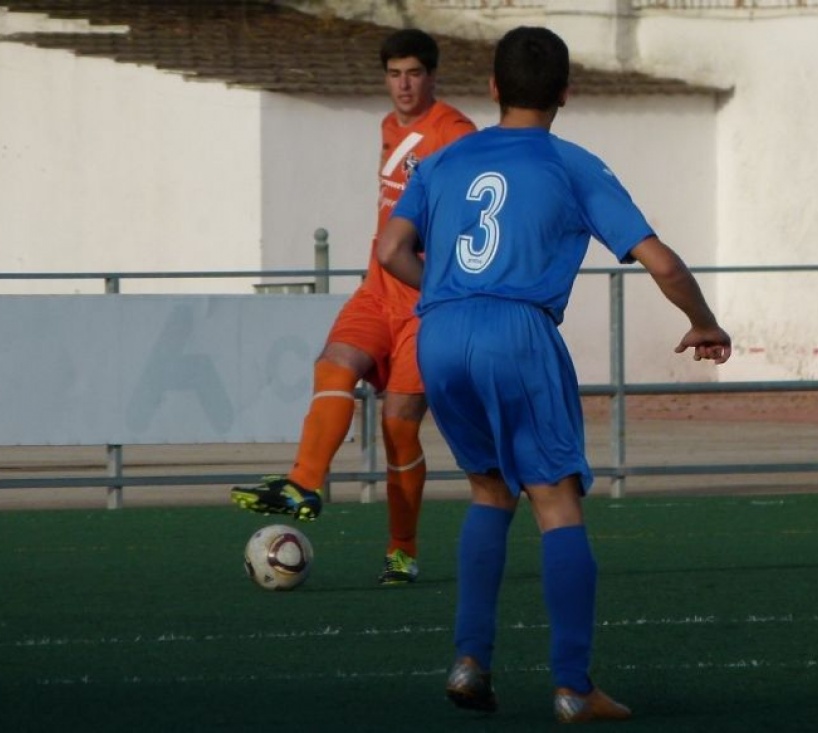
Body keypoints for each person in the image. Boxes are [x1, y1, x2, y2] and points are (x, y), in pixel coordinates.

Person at [376, 26, 732, 723]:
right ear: (567, 92)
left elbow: (391, 248)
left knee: (486, 491)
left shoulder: (444, 159)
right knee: (557, 500)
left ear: (492, 89)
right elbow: (659, 260)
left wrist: (444, 293)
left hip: (440, 331)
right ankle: (573, 685)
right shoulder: (572, 165)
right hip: (517, 330)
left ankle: (469, 658)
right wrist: (704, 320)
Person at [230, 29, 477, 586]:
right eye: (394, 74)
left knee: (398, 429)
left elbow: (473, 201)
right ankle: (306, 483)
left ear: (432, 76)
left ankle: (401, 551)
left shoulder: (454, 131)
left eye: (414, 73)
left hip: (425, 303)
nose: (404, 85)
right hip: (376, 289)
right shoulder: (389, 128)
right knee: (334, 362)